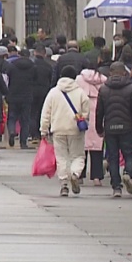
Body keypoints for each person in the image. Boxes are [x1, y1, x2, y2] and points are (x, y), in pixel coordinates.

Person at [96, 62, 132, 197]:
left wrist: (99, 128)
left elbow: (99, 112)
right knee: (129, 154)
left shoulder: (103, 89)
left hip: (110, 128)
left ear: (110, 73)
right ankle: (128, 173)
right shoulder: (130, 88)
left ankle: (116, 187)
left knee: (113, 157)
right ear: (124, 73)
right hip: (126, 127)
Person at [41, 65, 91, 197]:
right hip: (75, 129)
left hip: (58, 129)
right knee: (78, 156)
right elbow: (86, 112)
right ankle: (75, 174)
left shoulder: (53, 92)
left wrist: (43, 130)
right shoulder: (80, 92)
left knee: (61, 157)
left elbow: (46, 113)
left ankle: (64, 184)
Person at [77, 65, 108, 186]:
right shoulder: (103, 80)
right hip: (98, 111)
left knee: (81, 147)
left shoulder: (79, 79)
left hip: (83, 112)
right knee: (97, 147)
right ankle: (97, 177)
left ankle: (80, 174)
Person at [5, 49, 38, 149]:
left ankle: (12, 131)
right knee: (25, 120)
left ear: (19, 55)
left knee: (12, 117)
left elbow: (7, 78)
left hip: (13, 94)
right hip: (27, 96)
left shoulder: (12, 65)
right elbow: (35, 79)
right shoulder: (33, 67)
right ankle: (23, 142)